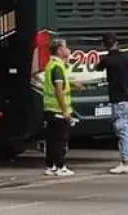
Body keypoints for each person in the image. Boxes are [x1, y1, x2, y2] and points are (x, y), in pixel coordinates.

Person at [98, 32, 128, 174]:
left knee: (121, 130)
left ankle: (124, 162)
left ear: (104, 45)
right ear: (117, 42)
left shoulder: (107, 61)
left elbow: (97, 68)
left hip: (118, 100)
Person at [42, 38, 76, 176]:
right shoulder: (57, 67)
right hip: (58, 111)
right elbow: (59, 90)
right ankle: (61, 166)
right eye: (66, 47)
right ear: (60, 50)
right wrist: (65, 111)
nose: (68, 50)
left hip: (50, 109)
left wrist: (75, 85)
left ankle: (51, 166)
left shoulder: (51, 65)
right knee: (61, 139)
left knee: (51, 139)